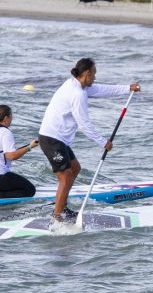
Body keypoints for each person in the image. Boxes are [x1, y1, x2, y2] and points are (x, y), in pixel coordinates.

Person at [38, 58, 140, 224]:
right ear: (86, 73)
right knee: (65, 177)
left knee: (75, 169)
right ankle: (57, 217)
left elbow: (101, 90)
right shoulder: (77, 94)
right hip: (51, 139)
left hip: (58, 139)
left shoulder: (76, 85)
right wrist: (103, 142)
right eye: (94, 74)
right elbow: (84, 124)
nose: (95, 77)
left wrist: (128, 89)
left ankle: (61, 208)